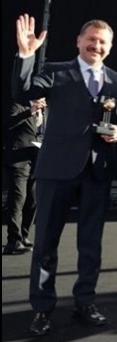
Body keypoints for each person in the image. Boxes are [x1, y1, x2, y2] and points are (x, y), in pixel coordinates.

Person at [12, 14, 117, 336]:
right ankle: (42, 309)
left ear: (110, 47)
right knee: (45, 244)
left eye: (102, 42)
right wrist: (26, 55)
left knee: (90, 245)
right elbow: (22, 93)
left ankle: (85, 303)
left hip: (97, 172)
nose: (96, 45)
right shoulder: (55, 71)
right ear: (79, 41)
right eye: (91, 39)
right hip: (56, 170)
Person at [3, 98, 45, 255]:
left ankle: (24, 235)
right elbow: (9, 123)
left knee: (33, 200)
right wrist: (30, 111)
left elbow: (40, 132)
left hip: (35, 159)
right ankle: (13, 241)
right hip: (18, 160)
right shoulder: (18, 106)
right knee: (17, 200)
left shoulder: (46, 111)